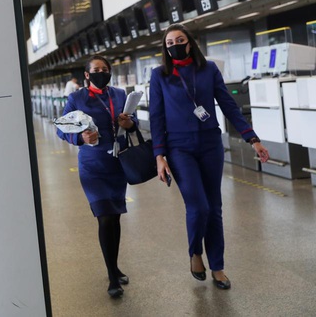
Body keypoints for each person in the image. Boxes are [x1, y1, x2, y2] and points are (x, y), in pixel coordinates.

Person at [149, 23, 269, 290]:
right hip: (179, 147)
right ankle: (195, 252)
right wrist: (159, 156)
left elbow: (228, 105)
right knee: (198, 206)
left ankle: (217, 266)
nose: (175, 45)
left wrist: (252, 139)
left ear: (189, 42)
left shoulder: (208, 69)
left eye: (179, 40)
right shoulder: (160, 75)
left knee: (214, 208)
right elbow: (156, 117)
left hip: (210, 144)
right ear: (165, 48)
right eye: (170, 43)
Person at [56, 55, 137, 299]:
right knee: (105, 218)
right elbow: (61, 128)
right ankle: (112, 276)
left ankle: (115, 267)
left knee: (115, 217)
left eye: (105, 69)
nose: (101, 73)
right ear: (87, 75)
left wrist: (129, 124)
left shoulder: (119, 94)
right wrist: (80, 138)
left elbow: (131, 122)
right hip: (93, 166)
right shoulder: (77, 98)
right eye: (96, 70)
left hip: (117, 163)